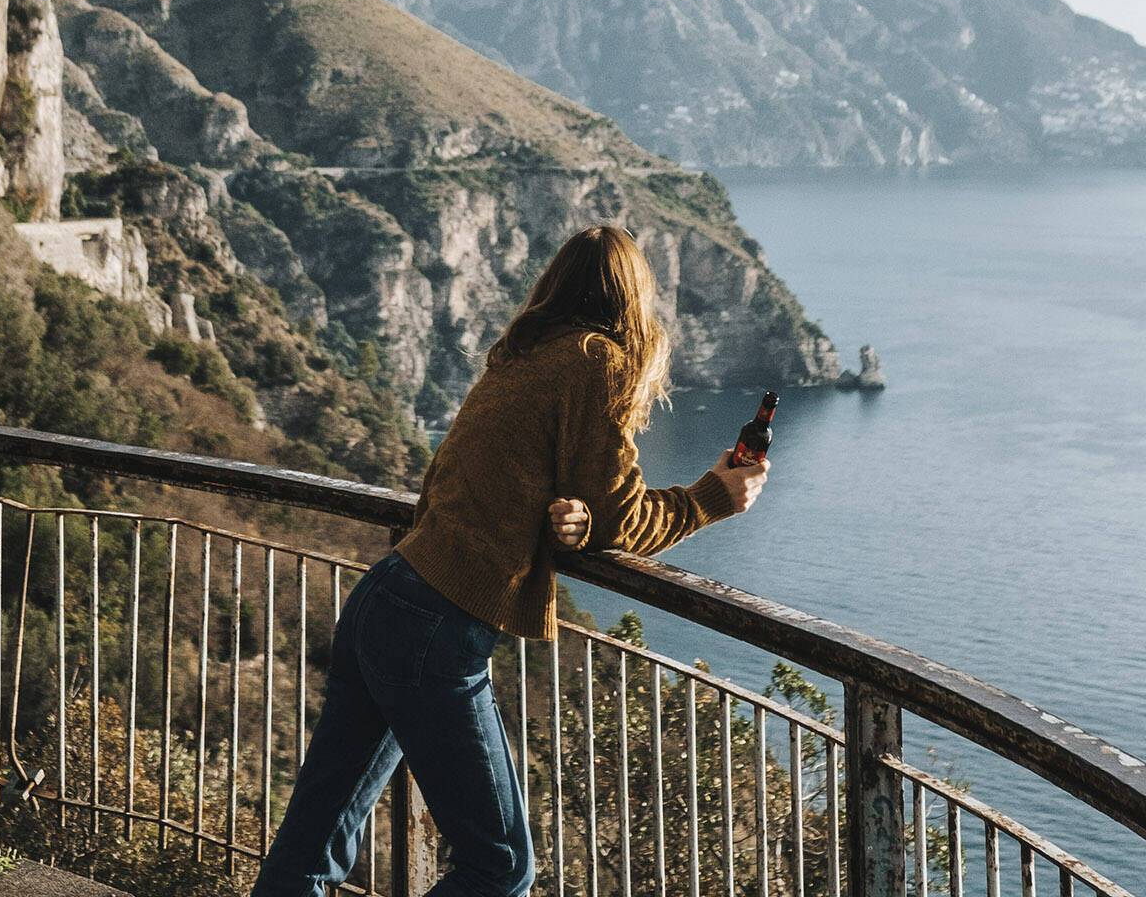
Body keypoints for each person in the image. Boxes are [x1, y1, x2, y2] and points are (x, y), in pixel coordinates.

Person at [249, 224, 771, 897]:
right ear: (634, 302)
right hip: (434, 627)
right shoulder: (596, 359)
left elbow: (507, 484)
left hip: (386, 596)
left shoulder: (522, 356)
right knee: (499, 868)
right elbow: (623, 514)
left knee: (311, 853)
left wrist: (572, 523)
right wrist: (710, 497)